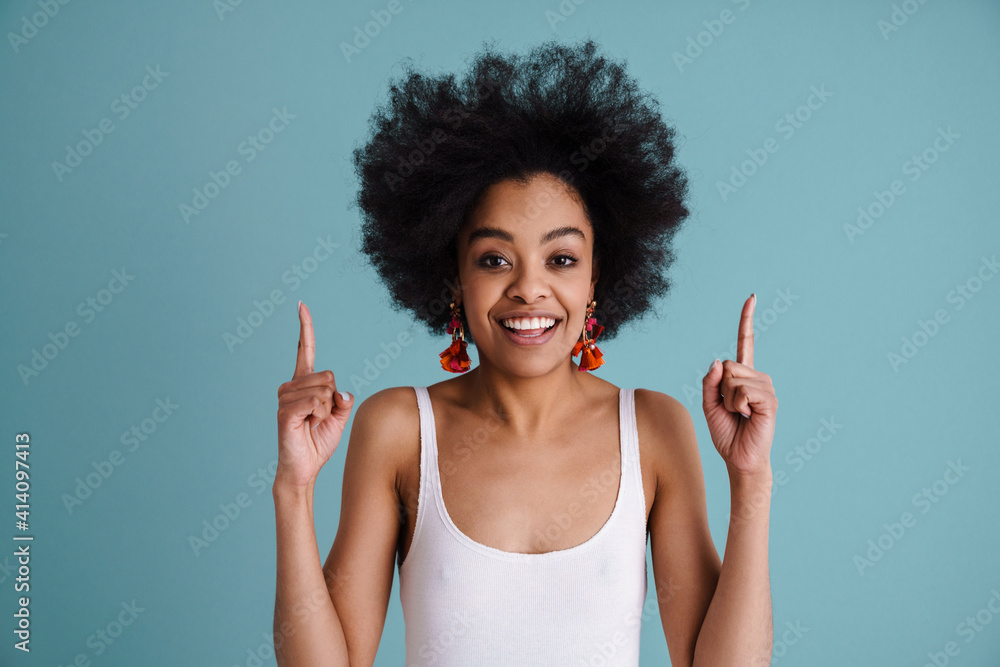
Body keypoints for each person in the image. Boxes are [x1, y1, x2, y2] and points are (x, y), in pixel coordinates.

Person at [272, 38, 777, 666]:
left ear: (598, 277)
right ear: (452, 275)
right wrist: (293, 490)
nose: (529, 287)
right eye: (493, 259)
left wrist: (750, 484)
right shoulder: (399, 429)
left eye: (561, 258)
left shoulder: (652, 429)